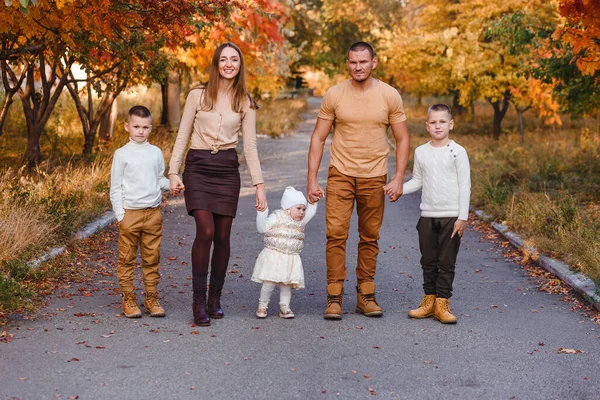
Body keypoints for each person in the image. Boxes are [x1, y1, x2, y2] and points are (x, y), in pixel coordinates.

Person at [307, 41, 410, 320]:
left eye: (363, 61)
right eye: (353, 62)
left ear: (373, 62)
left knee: (370, 237)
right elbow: (318, 137)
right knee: (335, 235)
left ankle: (366, 296)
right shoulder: (335, 94)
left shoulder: (390, 95)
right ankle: (334, 297)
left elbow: (402, 139)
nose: (358, 66)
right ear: (347, 63)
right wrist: (312, 180)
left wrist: (399, 177)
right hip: (340, 173)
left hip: (375, 176)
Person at [168, 42, 267, 327]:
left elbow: (249, 146)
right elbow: (183, 133)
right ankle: (198, 301)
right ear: (215, 63)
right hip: (198, 167)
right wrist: (174, 171)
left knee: (223, 236)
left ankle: (215, 299)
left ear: (239, 65)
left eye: (233, 59)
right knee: (206, 230)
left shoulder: (245, 101)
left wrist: (259, 184)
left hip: (226, 170)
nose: (228, 64)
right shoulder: (197, 95)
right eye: (223, 59)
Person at [403, 103, 471, 324]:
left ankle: (443, 303)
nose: (438, 126)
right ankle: (428, 302)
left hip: (451, 216)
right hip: (427, 216)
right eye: (433, 122)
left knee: (446, 262)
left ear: (451, 124)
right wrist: (397, 189)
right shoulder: (421, 151)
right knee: (428, 261)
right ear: (427, 125)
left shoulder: (458, 152)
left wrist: (463, 217)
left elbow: (465, 186)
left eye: (442, 122)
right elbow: (417, 180)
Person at [110, 105, 170, 318]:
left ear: (151, 128)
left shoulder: (155, 153)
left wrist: (172, 184)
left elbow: (159, 178)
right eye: (136, 126)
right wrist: (120, 216)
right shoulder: (122, 154)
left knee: (152, 258)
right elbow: (115, 187)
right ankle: (129, 299)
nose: (140, 131)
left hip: (152, 214)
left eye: (145, 127)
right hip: (130, 215)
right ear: (127, 126)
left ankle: (151, 298)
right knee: (126, 259)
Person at [251, 186, 317, 319]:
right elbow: (261, 228)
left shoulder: (300, 222)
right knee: (269, 282)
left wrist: (313, 201)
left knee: (286, 284)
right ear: (288, 208)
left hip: (290, 257)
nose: (302, 212)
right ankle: (262, 305)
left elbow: (311, 212)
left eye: (303, 209)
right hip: (274, 255)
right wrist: (262, 213)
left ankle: (284, 307)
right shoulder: (277, 216)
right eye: (298, 208)